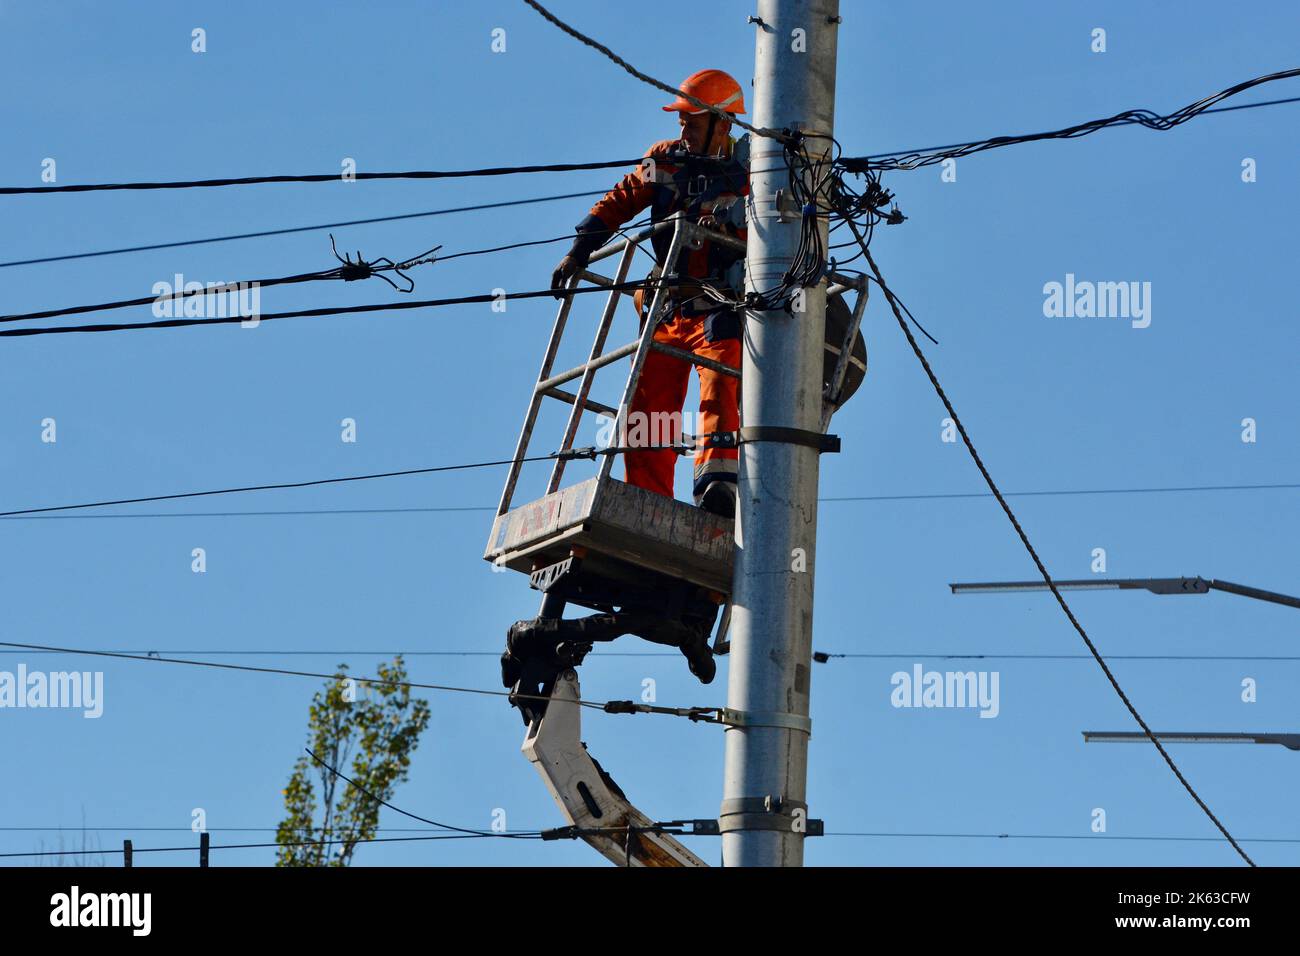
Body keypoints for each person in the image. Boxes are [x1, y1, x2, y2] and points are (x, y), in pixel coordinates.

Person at [551, 69, 749, 518]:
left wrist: (728, 225)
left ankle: (716, 485)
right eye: (681, 120)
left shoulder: (752, 174)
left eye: (692, 121)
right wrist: (579, 251)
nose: (682, 128)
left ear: (724, 124)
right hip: (666, 308)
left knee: (718, 388)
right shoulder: (665, 159)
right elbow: (622, 198)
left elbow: (769, 234)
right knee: (648, 411)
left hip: (717, 305)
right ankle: (648, 500)